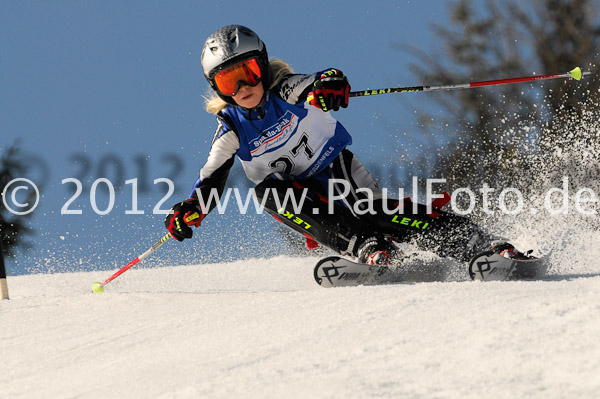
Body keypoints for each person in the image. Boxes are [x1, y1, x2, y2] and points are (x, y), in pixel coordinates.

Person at [165, 25, 530, 267]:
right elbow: (211, 179)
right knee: (267, 192)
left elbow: (317, 81)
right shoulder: (231, 128)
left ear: (263, 66)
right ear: (218, 89)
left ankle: (481, 245)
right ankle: (364, 247)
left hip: (336, 170)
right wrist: (190, 209)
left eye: (249, 72)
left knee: (371, 210)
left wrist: (329, 85)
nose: (244, 86)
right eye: (230, 81)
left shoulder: (284, 89)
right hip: (299, 196)